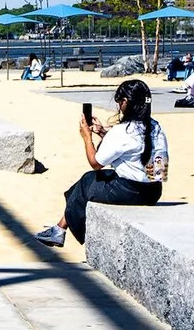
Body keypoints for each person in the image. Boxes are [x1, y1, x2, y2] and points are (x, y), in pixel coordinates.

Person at [37, 78, 168, 247]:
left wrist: (87, 137)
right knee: (93, 181)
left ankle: (62, 231)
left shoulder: (122, 131)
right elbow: (152, 167)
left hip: (130, 192)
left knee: (87, 181)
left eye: (119, 102)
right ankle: (59, 228)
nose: (118, 106)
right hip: (153, 191)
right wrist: (103, 133)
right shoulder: (156, 127)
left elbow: (95, 163)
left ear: (125, 102)